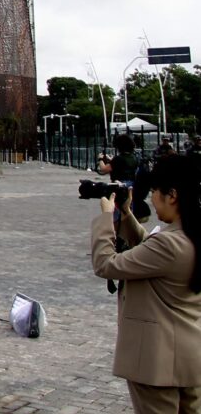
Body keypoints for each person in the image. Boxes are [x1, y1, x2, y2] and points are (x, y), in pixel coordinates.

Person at [91, 154, 201, 412]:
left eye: (155, 192)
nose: (152, 199)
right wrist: (126, 214)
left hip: (157, 360)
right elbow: (152, 252)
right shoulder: (190, 235)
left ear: (172, 195)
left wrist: (106, 218)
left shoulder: (169, 243)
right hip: (189, 356)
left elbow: (106, 264)